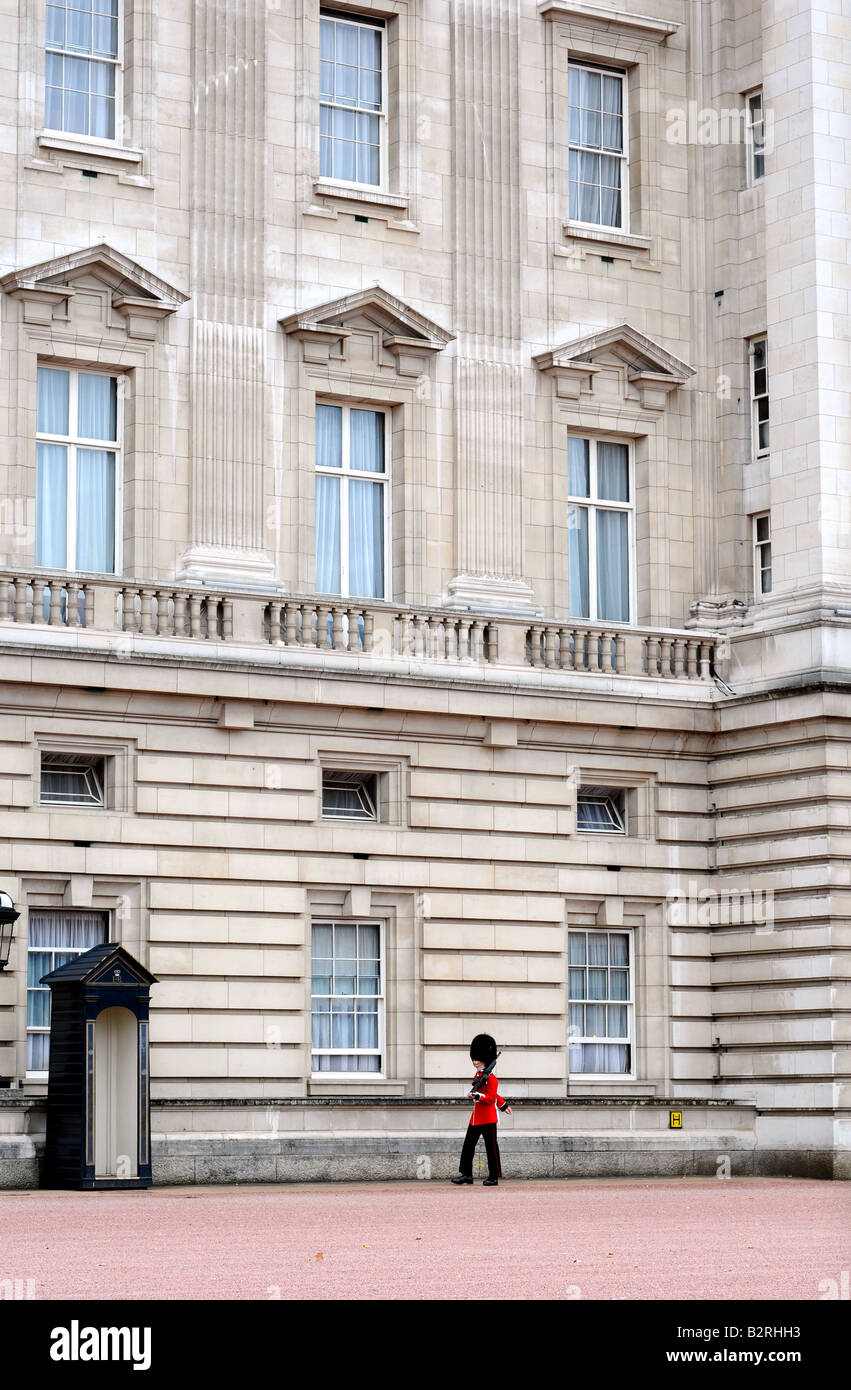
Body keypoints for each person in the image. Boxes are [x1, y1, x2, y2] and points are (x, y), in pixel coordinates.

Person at [451, 1033, 511, 1187]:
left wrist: (478, 1096)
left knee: (491, 1148)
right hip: (476, 1117)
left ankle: (494, 1176)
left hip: (488, 1118)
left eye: (477, 1057)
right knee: (468, 1146)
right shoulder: (479, 1075)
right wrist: (502, 1104)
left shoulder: (491, 1078)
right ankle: (466, 1174)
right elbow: (493, 1095)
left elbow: (491, 1097)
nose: (474, 1060)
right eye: (474, 1057)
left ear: (485, 1058)